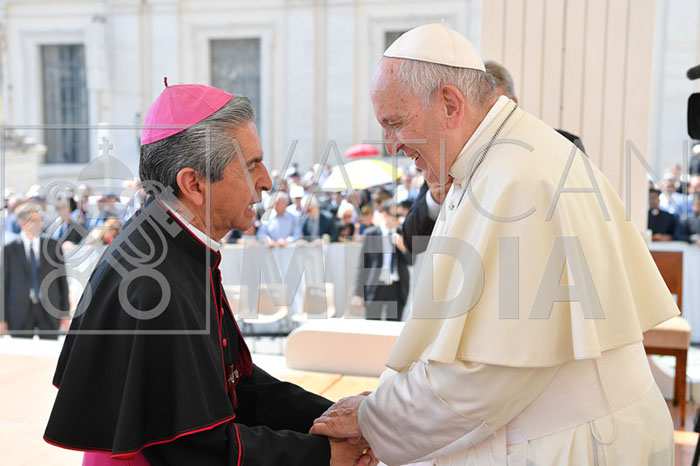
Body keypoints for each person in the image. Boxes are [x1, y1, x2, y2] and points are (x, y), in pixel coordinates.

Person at [310, 24, 677, 465]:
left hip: (579, 444)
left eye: (396, 123)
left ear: (450, 103)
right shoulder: (491, 160)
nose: (391, 144)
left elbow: (486, 374)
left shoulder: (519, 181)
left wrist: (372, 419)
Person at [44, 83, 373, 465]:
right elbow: (197, 447)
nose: (266, 181)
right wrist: (325, 456)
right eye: (251, 165)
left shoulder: (173, 242)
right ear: (194, 184)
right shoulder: (153, 284)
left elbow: (233, 381)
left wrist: (335, 414)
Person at [402, 59, 586, 255]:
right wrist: (436, 200)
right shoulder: (449, 156)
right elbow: (412, 241)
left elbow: (582, 215)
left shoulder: (564, 144)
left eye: (495, 109)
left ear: (514, 104)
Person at [2, 202, 70, 339]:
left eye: (40, 220)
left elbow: (62, 280)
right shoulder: (9, 249)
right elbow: (3, 285)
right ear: (21, 223)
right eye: (33, 220)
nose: (38, 224)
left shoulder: (53, 246)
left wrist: (65, 313)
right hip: (19, 310)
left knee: (50, 349)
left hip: (50, 309)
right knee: (21, 350)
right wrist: (2, 319)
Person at [352, 199, 410, 322]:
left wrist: (403, 248)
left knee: (393, 327)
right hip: (375, 286)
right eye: (395, 215)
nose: (398, 219)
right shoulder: (371, 234)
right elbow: (362, 265)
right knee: (372, 327)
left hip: (396, 287)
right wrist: (357, 293)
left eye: (400, 215)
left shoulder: (402, 233)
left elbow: (412, 261)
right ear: (384, 214)